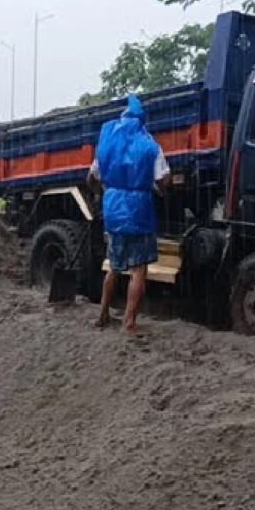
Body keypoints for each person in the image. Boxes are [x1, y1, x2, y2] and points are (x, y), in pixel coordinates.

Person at [87, 94, 170, 333]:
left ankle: (102, 314)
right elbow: (163, 178)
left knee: (113, 267)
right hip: (139, 211)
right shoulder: (150, 145)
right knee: (138, 270)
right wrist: (161, 190)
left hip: (114, 210)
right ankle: (129, 322)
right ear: (141, 121)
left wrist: (101, 194)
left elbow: (91, 177)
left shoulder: (107, 142)